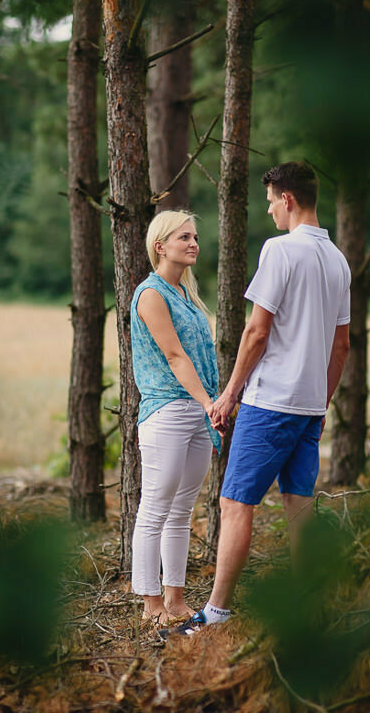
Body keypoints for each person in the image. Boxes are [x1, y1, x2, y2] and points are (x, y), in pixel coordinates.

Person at [161, 161, 351, 637]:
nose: (268, 210)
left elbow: (256, 331)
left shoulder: (281, 251)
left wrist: (228, 394)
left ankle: (217, 614)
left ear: (288, 198)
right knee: (299, 504)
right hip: (309, 407)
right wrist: (322, 402)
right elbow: (341, 345)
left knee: (235, 503)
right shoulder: (338, 260)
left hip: (271, 404)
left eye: (270, 200)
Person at [129, 210, 221, 625]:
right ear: (160, 245)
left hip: (198, 412)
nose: (193, 243)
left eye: (196, 237)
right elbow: (174, 356)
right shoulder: (152, 294)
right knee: (155, 508)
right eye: (184, 237)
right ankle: (150, 606)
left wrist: (207, 405)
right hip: (168, 410)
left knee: (182, 510)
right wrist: (209, 403)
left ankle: (177, 600)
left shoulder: (186, 294)